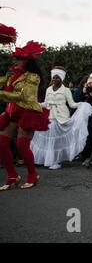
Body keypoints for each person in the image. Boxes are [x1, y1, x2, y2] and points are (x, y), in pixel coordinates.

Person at [0, 41, 49, 190]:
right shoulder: (12, 75)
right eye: (15, 59)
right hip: (11, 112)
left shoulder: (33, 77)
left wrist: (1, 93)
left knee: (22, 145)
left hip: (26, 111)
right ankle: (12, 176)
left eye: (19, 59)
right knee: (1, 143)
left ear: (27, 62)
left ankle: (33, 175)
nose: (16, 61)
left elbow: (24, 97)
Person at [31, 67, 92, 170]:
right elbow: (46, 104)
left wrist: (82, 105)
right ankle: (48, 160)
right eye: (54, 78)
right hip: (50, 117)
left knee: (56, 141)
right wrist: (35, 104)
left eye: (57, 78)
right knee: (50, 140)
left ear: (61, 79)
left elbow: (72, 104)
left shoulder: (66, 90)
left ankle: (55, 161)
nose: (55, 80)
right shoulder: (48, 89)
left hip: (61, 118)